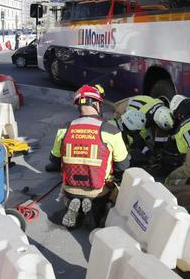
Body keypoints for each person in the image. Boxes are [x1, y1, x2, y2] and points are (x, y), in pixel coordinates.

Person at [47, 85, 130, 228]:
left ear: (79, 106)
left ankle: (71, 205)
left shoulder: (65, 128)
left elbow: (54, 159)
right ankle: (96, 211)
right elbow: (123, 165)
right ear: (97, 104)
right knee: (115, 189)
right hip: (98, 190)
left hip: (70, 187)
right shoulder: (111, 130)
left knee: (69, 188)